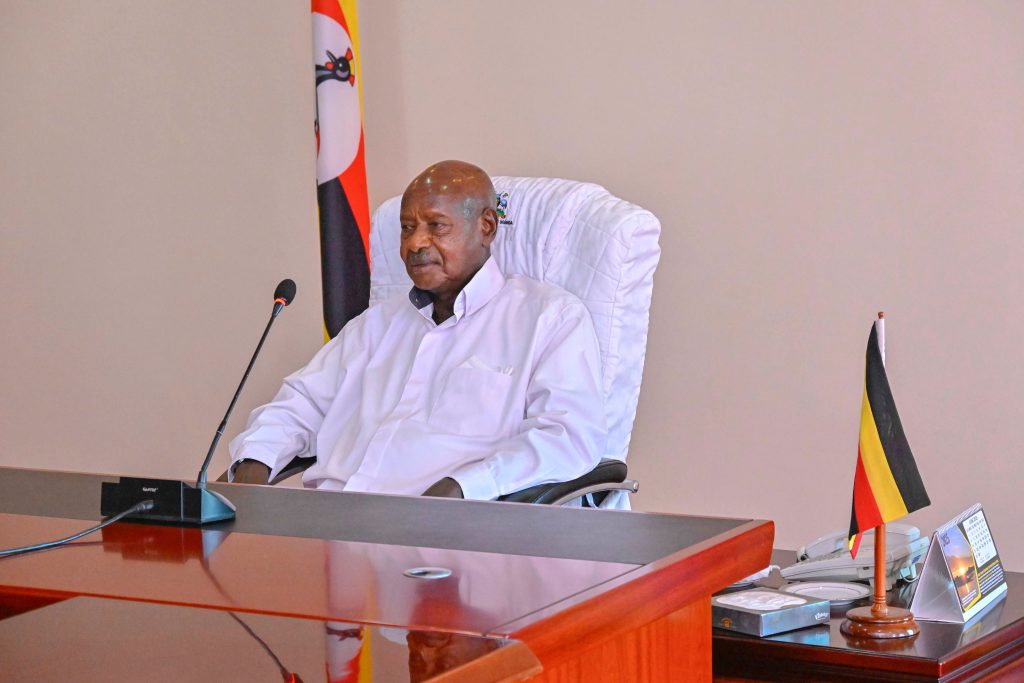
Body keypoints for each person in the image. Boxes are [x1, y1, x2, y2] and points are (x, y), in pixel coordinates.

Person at [229, 160, 606, 499]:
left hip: (442, 534)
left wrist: (465, 485)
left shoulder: (547, 318)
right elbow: (301, 403)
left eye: (436, 226)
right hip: (329, 522)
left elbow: (567, 436)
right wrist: (254, 463)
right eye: (407, 228)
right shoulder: (377, 324)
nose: (415, 243)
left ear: (486, 227)